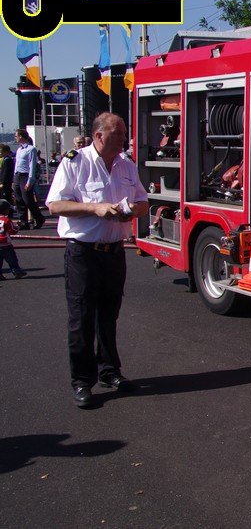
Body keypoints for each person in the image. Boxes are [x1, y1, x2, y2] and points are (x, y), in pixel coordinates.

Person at [46, 112, 149, 408]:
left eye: (124, 133)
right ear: (99, 135)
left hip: (113, 252)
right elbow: (54, 205)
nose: (124, 139)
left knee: (108, 315)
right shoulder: (75, 162)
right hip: (83, 253)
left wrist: (132, 211)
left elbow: (143, 201)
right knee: (81, 318)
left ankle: (109, 371)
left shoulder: (126, 164)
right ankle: (82, 381)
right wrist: (95, 208)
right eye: (118, 134)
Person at [12, 129, 45, 230]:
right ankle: (23, 222)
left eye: (16, 136)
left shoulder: (31, 149)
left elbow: (32, 165)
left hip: (25, 176)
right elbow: (17, 165)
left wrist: (30, 180)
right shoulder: (19, 150)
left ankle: (39, 218)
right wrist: (14, 179)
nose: (15, 138)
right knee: (19, 200)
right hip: (17, 175)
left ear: (21, 136)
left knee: (28, 200)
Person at [0, 199, 27, 279]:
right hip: (6, 244)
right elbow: (12, 231)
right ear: (5, 210)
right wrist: (18, 227)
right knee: (12, 259)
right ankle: (16, 271)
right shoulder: (7, 220)